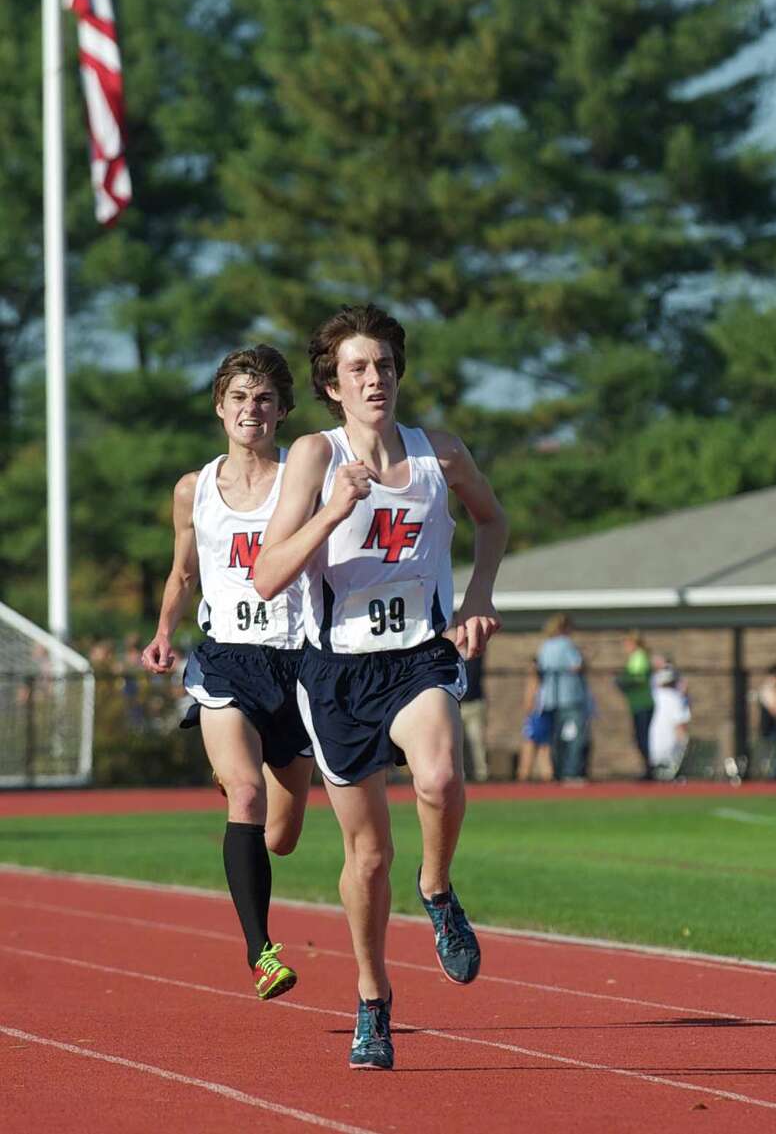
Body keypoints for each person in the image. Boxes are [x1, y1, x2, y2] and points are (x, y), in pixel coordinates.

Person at [253, 304, 507, 1072]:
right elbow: (268, 575)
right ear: (332, 384)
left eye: (385, 366)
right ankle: (372, 998)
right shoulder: (312, 456)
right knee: (367, 858)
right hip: (336, 673)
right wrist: (335, 507)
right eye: (358, 369)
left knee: (440, 775)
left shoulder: (441, 455)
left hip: (418, 655)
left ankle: (436, 887)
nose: (375, 380)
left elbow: (492, 523)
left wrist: (477, 599)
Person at [141, 345, 314, 1002]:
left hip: (297, 663)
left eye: (264, 398)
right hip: (226, 659)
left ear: (282, 411)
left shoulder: (306, 477)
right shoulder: (195, 487)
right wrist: (163, 631)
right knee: (245, 795)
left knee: (282, 835)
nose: (252, 409)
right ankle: (261, 953)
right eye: (239, 397)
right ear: (220, 407)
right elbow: (184, 571)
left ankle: (253, 790)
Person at [536, 613, 590, 782]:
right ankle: (571, 772)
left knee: (556, 738)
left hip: (550, 699)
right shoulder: (566, 644)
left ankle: (558, 771)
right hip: (570, 698)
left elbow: (540, 669)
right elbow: (576, 666)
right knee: (575, 737)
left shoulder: (545, 646)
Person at [614, 633, 655, 779]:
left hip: (643, 704)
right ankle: (648, 768)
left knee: (643, 738)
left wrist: (623, 683)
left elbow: (638, 678)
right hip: (637, 705)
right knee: (639, 737)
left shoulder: (639, 656)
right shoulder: (635, 657)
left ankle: (650, 769)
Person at [648, 662, 690, 777]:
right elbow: (680, 730)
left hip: (651, 753)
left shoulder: (652, 696)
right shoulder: (675, 699)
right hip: (669, 754)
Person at [516, 656, 554, 781]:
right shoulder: (549, 682)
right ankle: (547, 777)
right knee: (544, 749)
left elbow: (528, 703)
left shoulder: (534, 681)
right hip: (545, 717)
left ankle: (524, 776)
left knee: (529, 748)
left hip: (536, 717)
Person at [459, 653, 489, 782]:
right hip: (456, 704)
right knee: (457, 743)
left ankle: (481, 774)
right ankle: (460, 774)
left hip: (474, 704)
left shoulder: (475, 653)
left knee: (477, 741)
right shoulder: (448, 654)